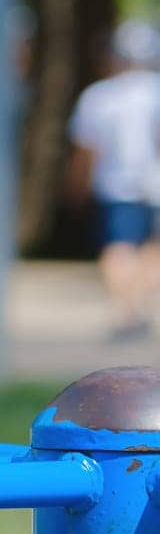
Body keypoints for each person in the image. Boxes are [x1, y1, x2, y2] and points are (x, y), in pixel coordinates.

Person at [67, 19, 160, 342]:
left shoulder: (99, 97)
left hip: (117, 183)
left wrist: (77, 185)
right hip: (155, 183)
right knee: (152, 246)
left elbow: (87, 151)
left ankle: (126, 311)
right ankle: (141, 305)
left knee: (117, 247)